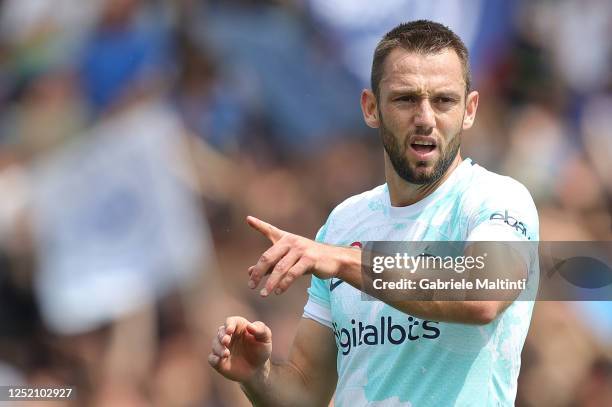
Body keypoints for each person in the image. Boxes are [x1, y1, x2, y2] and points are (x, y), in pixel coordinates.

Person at [208, 20, 539, 406]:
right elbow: (305, 393)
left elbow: (481, 294)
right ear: (371, 108)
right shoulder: (344, 222)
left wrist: (342, 260)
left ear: (470, 110)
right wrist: (257, 376)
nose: (426, 118)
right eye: (405, 99)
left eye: (444, 100)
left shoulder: (496, 199)